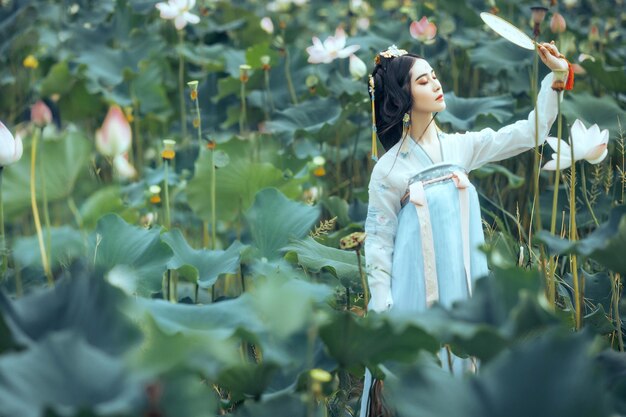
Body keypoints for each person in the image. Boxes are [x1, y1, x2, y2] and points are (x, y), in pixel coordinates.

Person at [359, 42, 570, 416]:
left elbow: (529, 133)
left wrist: (555, 77)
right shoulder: (388, 170)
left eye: (435, 76)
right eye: (424, 81)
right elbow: (378, 240)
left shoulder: (461, 147)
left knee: (469, 377)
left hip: (464, 285)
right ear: (405, 97)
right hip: (413, 290)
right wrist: (381, 301)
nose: (437, 84)